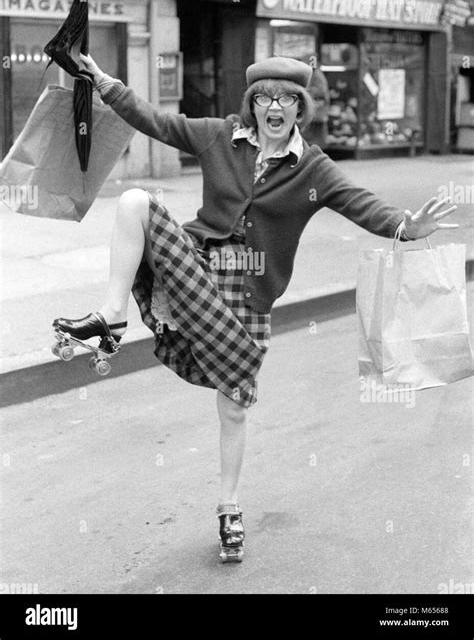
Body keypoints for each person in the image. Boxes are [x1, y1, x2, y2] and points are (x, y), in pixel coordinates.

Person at [53, 55, 458, 561]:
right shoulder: (219, 136)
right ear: (253, 103)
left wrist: (404, 225)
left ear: (299, 107)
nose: (275, 107)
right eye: (265, 97)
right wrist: (106, 83)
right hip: (198, 269)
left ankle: (229, 508)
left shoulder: (313, 166)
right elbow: (156, 121)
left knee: (234, 407)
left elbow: (361, 203)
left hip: (250, 296)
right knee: (134, 201)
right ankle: (110, 318)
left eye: (287, 98)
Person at [301, 62, 330, 148]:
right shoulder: (315, 74)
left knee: (315, 137)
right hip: (316, 114)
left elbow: (321, 92)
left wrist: (307, 91)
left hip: (317, 114)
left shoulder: (316, 75)